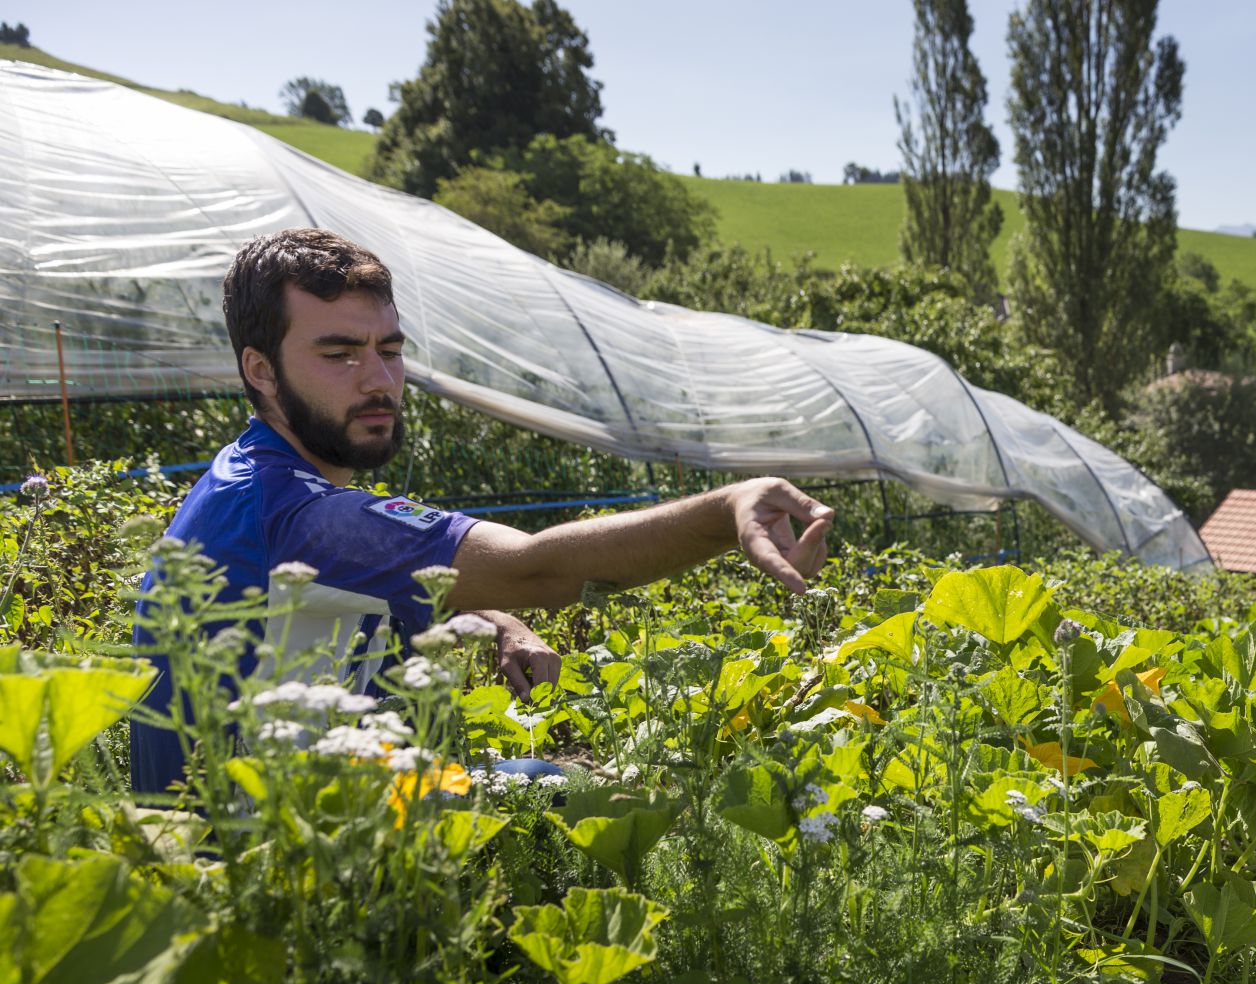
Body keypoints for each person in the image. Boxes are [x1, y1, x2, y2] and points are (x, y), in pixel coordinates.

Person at [129, 227, 834, 794]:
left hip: (295, 817)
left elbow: (372, 587)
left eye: (390, 350)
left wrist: (494, 618)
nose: (379, 380)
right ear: (260, 369)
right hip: (265, 871)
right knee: (599, 797)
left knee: (547, 780)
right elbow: (534, 569)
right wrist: (725, 512)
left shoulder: (254, 481)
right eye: (339, 354)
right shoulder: (288, 509)